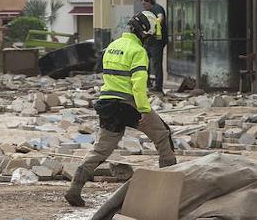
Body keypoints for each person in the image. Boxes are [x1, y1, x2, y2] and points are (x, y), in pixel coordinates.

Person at [66, 11, 176, 206]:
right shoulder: (138, 51)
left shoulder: (113, 46)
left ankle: (74, 188)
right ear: (144, 33)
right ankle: (169, 188)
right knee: (162, 135)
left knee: (101, 150)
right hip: (128, 104)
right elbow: (138, 85)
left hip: (107, 104)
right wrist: (144, 110)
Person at [141, 0, 167, 93]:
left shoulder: (157, 8)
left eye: (144, 4)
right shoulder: (148, 12)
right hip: (149, 41)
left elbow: (161, 17)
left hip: (157, 41)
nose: (144, 6)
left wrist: (155, 24)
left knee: (157, 64)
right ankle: (147, 82)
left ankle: (158, 86)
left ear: (149, 2)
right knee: (144, 62)